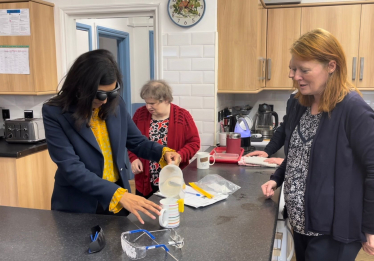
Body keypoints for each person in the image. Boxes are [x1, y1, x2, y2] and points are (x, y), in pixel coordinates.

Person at [261, 29, 374, 260]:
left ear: (331, 66)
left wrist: (370, 225)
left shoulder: (353, 109)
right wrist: (276, 178)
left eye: (304, 70)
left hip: (334, 230)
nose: (295, 75)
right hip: (300, 222)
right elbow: (296, 155)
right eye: (293, 69)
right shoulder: (297, 103)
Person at [42, 49, 181, 224]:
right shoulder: (55, 112)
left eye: (112, 92)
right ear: (81, 87)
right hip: (78, 205)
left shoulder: (116, 104)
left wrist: (162, 153)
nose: (106, 100)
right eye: (100, 94)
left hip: (117, 200)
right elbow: (71, 168)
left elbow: (136, 141)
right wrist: (119, 195)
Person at [128, 80, 200, 198]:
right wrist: (134, 158)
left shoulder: (183, 116)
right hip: (146, 181)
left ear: (166, 99)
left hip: (173, 180)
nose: (148, 107)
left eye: (152, 103)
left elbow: (194, 143)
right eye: (146, 103)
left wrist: (180, 155)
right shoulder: (139, 114)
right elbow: (131, 140)